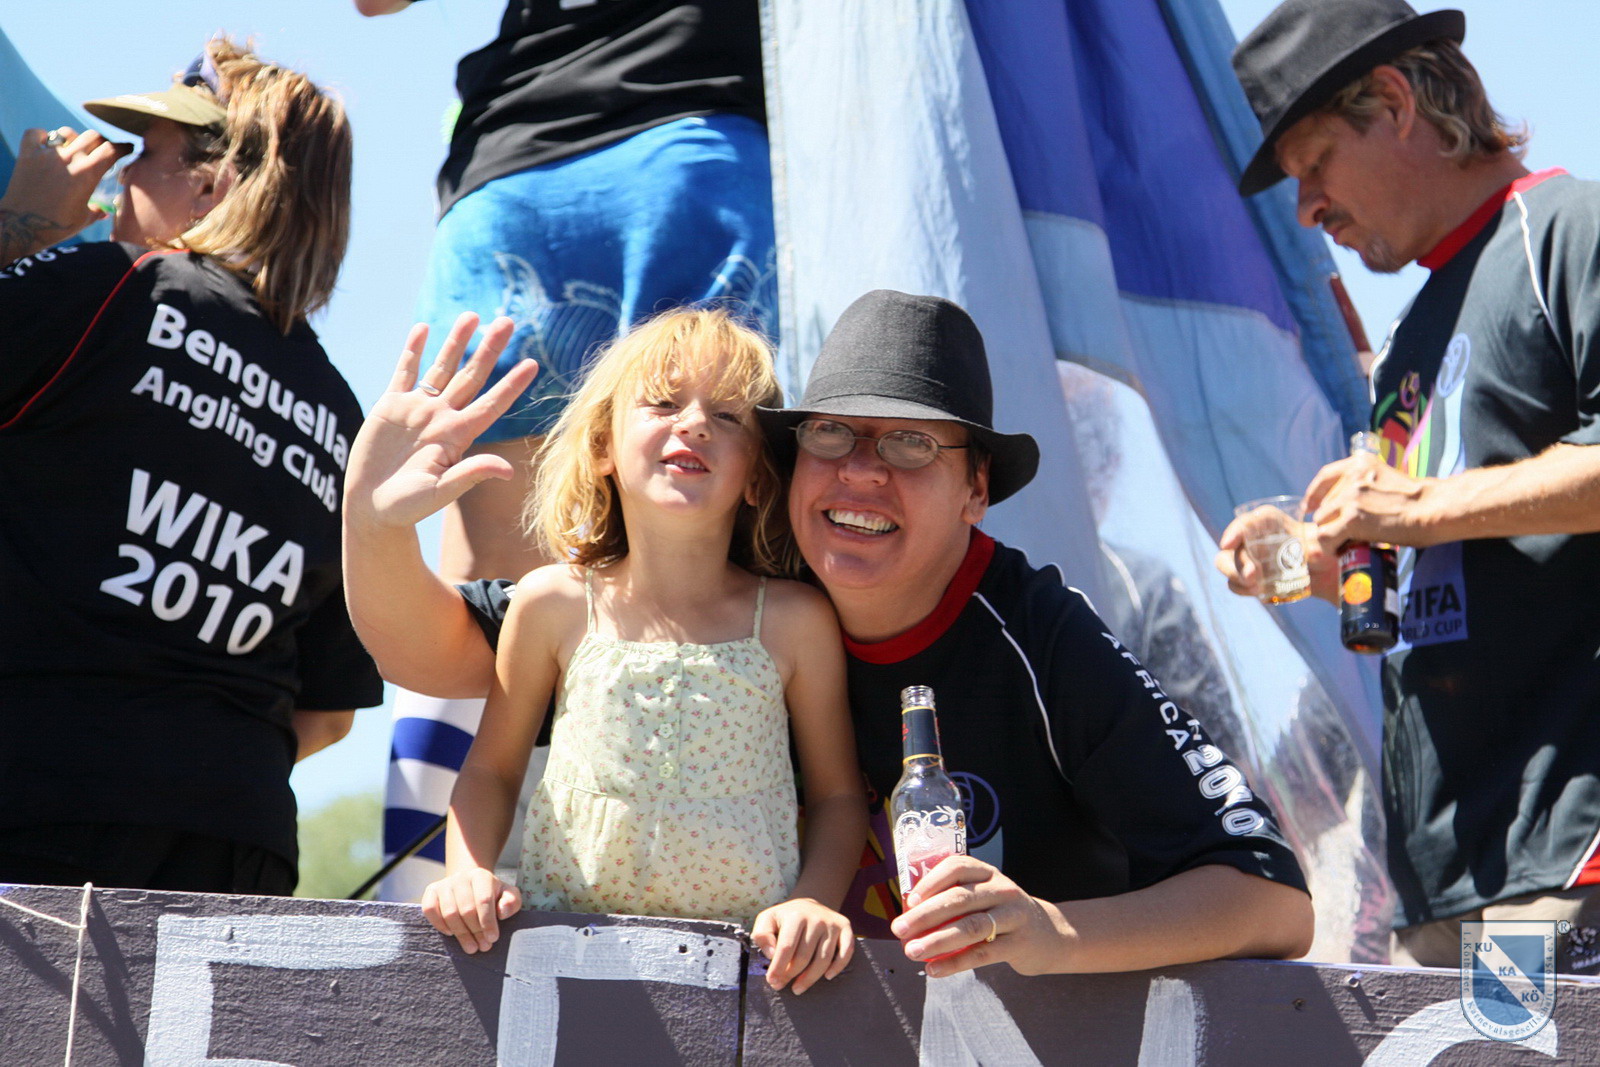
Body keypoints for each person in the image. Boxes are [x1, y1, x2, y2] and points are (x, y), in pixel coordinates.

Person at [347, 288, 1313, 976]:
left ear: (976, 488)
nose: (860, 473)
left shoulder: (1041, 635)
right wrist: (371, 517)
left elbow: (1272, 897)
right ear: (785, 465)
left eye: (910, 442)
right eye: (831, 433)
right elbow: (428, 651)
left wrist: (1049, 932)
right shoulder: (712, 573)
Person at [353, 0, 775, 895]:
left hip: (519, 169)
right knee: (718, 527)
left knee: (498, 590)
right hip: (697, 137)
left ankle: (449, 895)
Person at [1223, 0, 1600, 970]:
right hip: (1444, 879)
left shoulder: (1569, 230)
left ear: (1394, 102)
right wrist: (1309, 567)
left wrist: (1417, 505)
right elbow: (1433, 571)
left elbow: (1435, 512)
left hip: (1571, 855)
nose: (1306, 209)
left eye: (1314, 166)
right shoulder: (1406, 337)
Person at [0, 40, 382, 894]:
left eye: (145, 153)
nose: (118, 174)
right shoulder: (339, 411)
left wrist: (19, 223)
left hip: (38, 800)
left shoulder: (111, 286)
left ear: (211, 186)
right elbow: (328, 713)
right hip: (237, 843)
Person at [407, 308, 865, 994]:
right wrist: (467, 871)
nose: (695, 423)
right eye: (663, 402)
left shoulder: (796, 621)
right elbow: (492, 772)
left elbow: (838, 797)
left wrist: (814, 902)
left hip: (751, 980)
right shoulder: (551, 603)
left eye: (729, 416)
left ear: (759, 477)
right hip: (567, 962)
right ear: (603, 447)